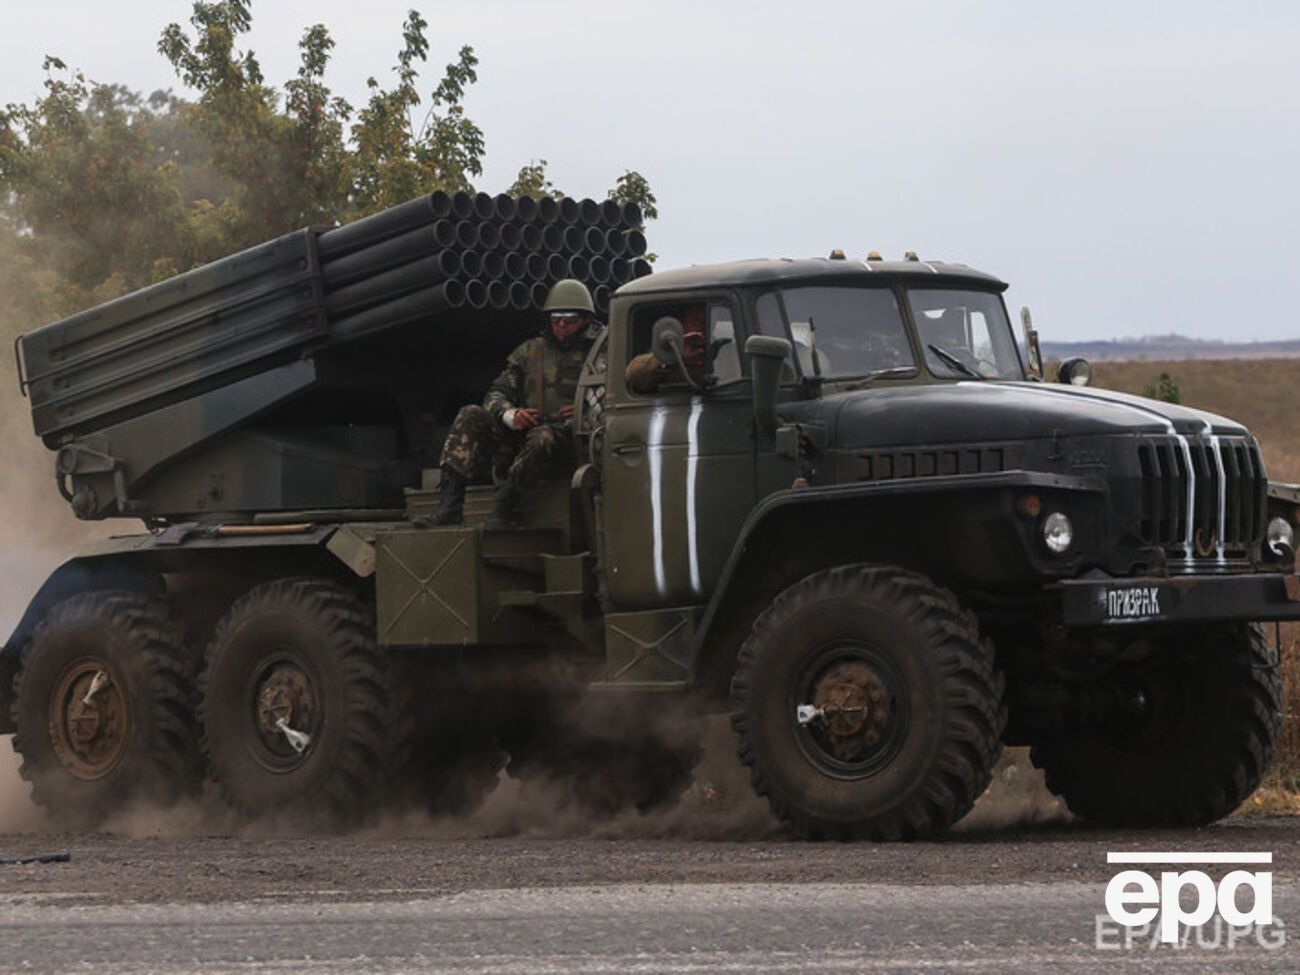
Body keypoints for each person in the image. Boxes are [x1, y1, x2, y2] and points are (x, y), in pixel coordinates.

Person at [423, 279, 599, 528]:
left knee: (543, 437)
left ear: (585, 319)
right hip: (522, 440)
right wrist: (510, 414)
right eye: (555, 318)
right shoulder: (529, 353)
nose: (560, 324)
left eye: (569, 319)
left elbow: (618, 396)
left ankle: (504, 507)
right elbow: (496, 393)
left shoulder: (603, 352)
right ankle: (449, 507)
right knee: (470, 414)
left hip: (574, 444)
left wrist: (586, 410)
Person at [625, 303, 708, 393]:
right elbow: (634, 374)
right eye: (696, 321)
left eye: (707, 321)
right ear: (680, 324)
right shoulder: (664, 349)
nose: (703, 326)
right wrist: (673, 355)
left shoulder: (720, 350)